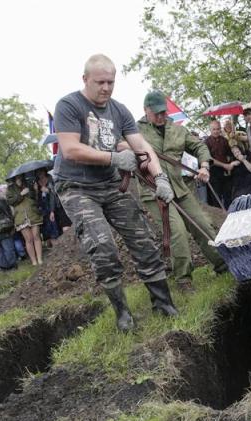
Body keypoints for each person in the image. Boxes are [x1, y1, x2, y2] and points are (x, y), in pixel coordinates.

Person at [53, 54, 177, 331]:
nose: (106, 88)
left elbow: (142, 145)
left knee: (143, 239)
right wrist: (113, 158)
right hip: (77, 187)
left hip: (112, 186)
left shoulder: (119, 110)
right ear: (85, 79)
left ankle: (163, 304)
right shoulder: (69, 105)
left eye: (111, 82)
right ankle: (123, 314)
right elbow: (70, 149)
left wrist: (160, 178)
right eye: (100, 82)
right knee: (103, 247)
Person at [137, 90, 227, 292]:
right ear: (146, 110)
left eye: (164, 112)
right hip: (155, 191)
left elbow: (200, 147)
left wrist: (204, 166)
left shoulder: (177, 129)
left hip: (180, 188)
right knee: (177, 233)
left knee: (203, 225)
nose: (162, 117)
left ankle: (223, 265)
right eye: (157, 113)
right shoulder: (136, 131)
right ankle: (183, 280)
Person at [6, 175, 44, 265]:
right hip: (20, 216)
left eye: (19, 177)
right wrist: (21, 194)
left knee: (36, 236)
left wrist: (34, 190)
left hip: (33, 214)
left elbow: (35, 198)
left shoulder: (29, 184)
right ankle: (34, 261)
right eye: (16, 177)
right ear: (14, 178)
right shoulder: (10, 189)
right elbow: (10, 202)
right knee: (29, 239)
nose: (18, 178)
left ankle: (39, 259)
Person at [205, 120, 238, 208]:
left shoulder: (224, 140)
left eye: (218, 129)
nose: (216, 131)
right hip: (214, 173)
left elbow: (229, 155)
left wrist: (231, 163)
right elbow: (209, 158)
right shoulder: (206, 142)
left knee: (228, 196)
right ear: (210, 130)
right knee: (217, 199)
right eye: (214, 129)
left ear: (220, 129)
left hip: (226, 172)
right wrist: (224, 165)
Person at [223, 119, 251, 198]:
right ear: (224, 128)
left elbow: (248, 139)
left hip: (244, 155)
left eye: (229, 125)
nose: (228, 127)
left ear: (233, 126)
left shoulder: (239, 133)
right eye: (226, 126)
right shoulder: (224, 138)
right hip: (233, 159)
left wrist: (237, 137)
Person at [35, 168, 63, 246]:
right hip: (43, 210)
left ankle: (59, 246)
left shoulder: (50, 179)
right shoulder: (36, 183)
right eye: (38, 172)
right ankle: (53, 247)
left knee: (55, 227)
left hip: (52, 207)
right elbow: (37, 200)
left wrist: (48, 190)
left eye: (41, 171)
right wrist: (36, 191)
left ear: (44, 171)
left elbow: (55, 193)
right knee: (47, 229)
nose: (40, 174)